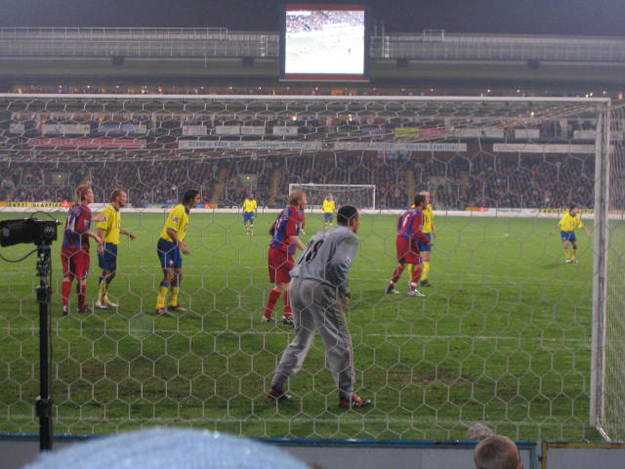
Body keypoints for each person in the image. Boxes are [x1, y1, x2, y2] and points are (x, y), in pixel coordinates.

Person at [265, 205, 371, 408]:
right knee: (340, 341)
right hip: (318, 287)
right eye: (359, 220)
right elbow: (338, 265)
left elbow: (303, 258)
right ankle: (347, 396)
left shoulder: (322, 234)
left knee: (302, 339)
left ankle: (276, 386)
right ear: (354, 220)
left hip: (297, 284)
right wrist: (344, 290)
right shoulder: (348, 237)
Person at [263, 190, 307, 325]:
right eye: (305, 199)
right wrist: (307, 250)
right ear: (299, 201)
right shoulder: (292, 213)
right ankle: (288, 315)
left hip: (276, 250)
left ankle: (268, 316)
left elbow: (271, 230)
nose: (307, 202)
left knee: (283, 285)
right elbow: (293, 237)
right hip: (281, 253)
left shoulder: (284, 212)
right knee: (296, 278)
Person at [155, 189, 200, 315]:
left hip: (174, 246)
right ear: (191, 200)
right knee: (169, 274)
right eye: (197, 198)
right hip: (165, 244)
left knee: (179, 275)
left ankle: (173, 303)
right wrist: (180, 244)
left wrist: (182, 242)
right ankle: (159, 305)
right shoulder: (179, 210)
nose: (199, 201)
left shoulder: (187, 212)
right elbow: (170, 230)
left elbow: (180, 231)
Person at [60, 184, 103, 315]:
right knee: (82, 278)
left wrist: (93, 219)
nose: (93, 195)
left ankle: (65, 307)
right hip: (79, 249)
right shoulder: (86, 210)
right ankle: (81, 307)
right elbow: (81, 229)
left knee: (68, 276)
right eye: (91, 193)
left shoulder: (73, 208)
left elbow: (70, 225)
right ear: (85, 195)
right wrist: (96, 236)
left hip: (66, 247)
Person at [95, 189, 136, 310]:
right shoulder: (108, 211)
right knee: (110, 273)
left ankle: (103, 298)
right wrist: (101, 245)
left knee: (107, 272)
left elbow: (115, 228)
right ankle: (99, 300)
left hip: (113, 245)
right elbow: (101, 228)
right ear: (117, 198)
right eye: (124, 197)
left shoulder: (116, 211)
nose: (126, 199)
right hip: (107, 245)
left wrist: (127, 233)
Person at [385, 194, 431, 296]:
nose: (427, 203)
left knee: (402, 264)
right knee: (420, 263)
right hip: (408, 241)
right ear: (421, 203)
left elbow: (399, 221)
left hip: (400, 238)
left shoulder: (408, 212)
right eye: (426, 201)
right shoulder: (419, 214)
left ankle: (390, 287)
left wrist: (400, 232)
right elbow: (417, 231)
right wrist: (427, 240)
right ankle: (413, 290)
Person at [419, 191, 436, 287]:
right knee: (421, 258)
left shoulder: (429, 207)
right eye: (427, 197)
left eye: (429, 197)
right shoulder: (416, 208)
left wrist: (433, 230)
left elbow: (430, 219)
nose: (429, 198)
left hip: (427, 234)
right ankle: (422, 279)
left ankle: (422, 279)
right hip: (419, 235)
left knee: (426, 258)